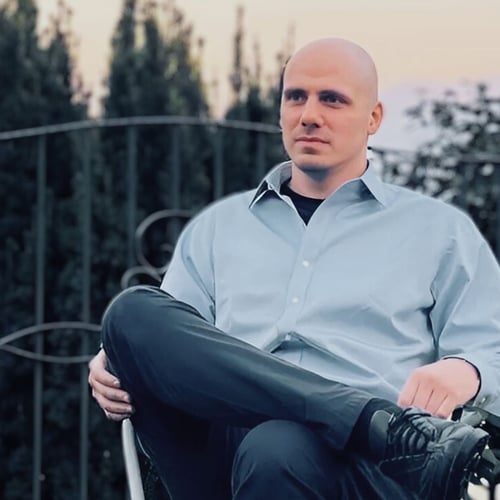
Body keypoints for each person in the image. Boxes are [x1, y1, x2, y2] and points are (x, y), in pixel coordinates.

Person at [88, 37, 500, 500]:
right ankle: (373, 423)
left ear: (373, 118)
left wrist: (467, 370)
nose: (309, 114)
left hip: (364, 473)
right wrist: (115, 359)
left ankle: (373, 429)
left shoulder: (439, 231)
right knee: (129, 313)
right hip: (221, 457)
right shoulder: (217, 228)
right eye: (296, 97)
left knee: (276, 447)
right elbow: (172, 344)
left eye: (333, 99)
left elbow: (492, 348)